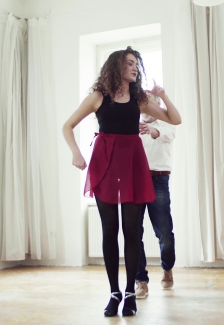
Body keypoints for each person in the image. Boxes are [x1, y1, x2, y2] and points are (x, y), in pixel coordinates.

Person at [62, 46, 181, 317]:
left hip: (132, 163)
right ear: (116, 66)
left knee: (131, 231)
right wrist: (76, 153)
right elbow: (67, 125)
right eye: (129, 63)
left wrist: (162, 95)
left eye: (136, 64)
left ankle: (130, 293)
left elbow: (175, 119)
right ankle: (114, 292)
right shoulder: (97, 96)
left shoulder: (139, 98)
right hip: (104, 162)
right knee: (109, 231)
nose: (135, 67)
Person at [134, 96, 176, 299]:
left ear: (156, 104)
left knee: (165, 233)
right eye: (142, 100)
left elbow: (167, 135)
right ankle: (140, 280)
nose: (145, 104)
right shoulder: (131, 122)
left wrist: (152, 131)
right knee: (134, 234)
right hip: (134, 181)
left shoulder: (166, 121)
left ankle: (167, 268)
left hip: (159, 180)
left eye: (149, 100)